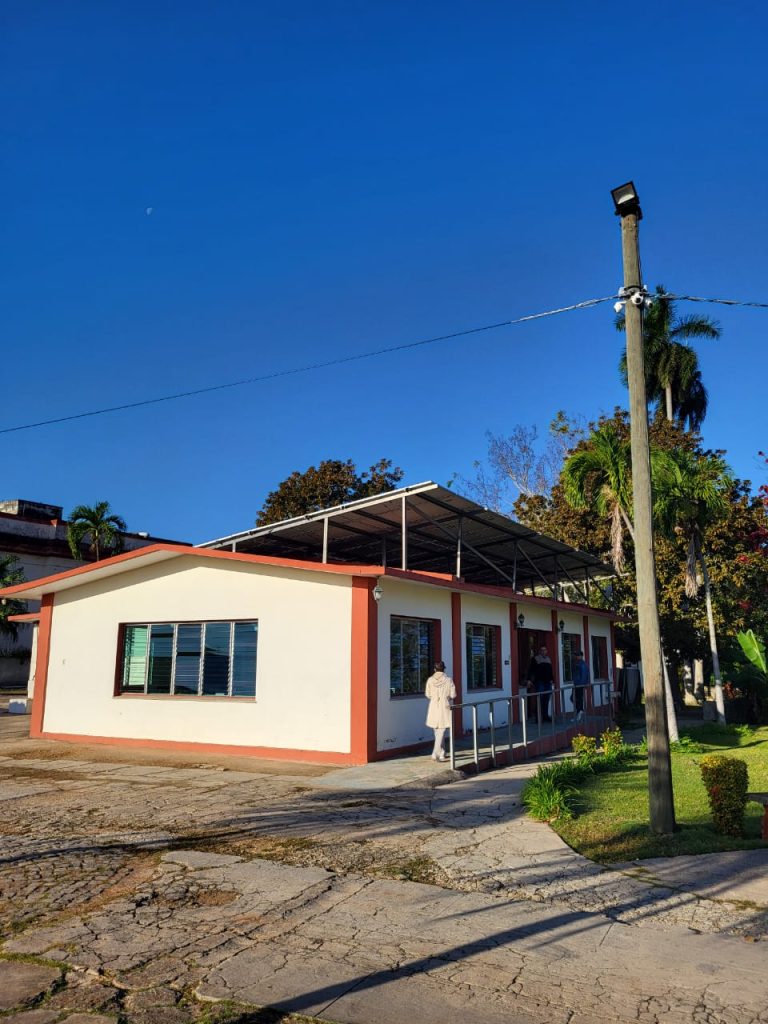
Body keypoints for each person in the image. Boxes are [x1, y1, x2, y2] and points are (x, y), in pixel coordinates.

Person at [425, 660, 456, 761]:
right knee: (441, 731)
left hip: (434, 706)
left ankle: (439, 753)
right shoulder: (448, 680)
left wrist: (434, 698)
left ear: (434, 669)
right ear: (444, 669)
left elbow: (427, 694)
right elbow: (453, 695)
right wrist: (447, 698)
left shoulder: (430, 680)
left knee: (437, 731)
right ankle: (438, 753)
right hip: (444, 706)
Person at [527, 645, 554, 722]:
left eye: (545, 650)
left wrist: (552, 679)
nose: (543, 651)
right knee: (539, 699)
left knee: (546, 699)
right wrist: (529, 679)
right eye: (542, 650)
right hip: (539, 682)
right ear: (539, 651)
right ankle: (538, 717)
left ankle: (545, 716)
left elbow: (550, 670)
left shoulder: (548, 659)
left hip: (548, 682)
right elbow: (531, 669)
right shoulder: (535, 659)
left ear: (546, 651)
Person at [572, 649, 590, 722]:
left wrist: (582, 684)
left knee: (578, 698)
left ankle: (580, 711)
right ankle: (579, 711)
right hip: (577, 683)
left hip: (579, 684)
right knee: (575, 698)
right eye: (576, 655)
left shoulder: (582, 664)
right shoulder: (578, 663)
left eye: (578, 655)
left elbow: (584, 675)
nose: (576, 657)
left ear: (581, 656)